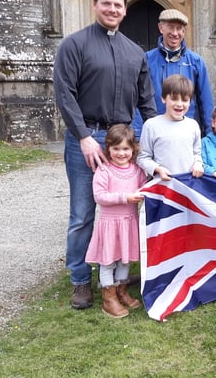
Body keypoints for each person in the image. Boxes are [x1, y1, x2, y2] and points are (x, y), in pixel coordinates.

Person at [53, 0, 157, 310]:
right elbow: (64, 93)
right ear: (95, 5)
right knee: (84, 213)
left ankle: (118, 277)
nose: (113, 9)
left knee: (124, 212)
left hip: (123, 142)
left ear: (125, 10)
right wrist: (83, 136)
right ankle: (81, 280)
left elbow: (147, 101)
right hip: (86, 137)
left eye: (118, 5)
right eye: (107, 4)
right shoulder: (74, 45)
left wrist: (156, 139)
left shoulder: (134, 52)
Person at [85, 124, 147, 318]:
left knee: (124, 260)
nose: (121, 153)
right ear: (108, 148)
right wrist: (125, 197)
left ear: (133, 149)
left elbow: (144, 188)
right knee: (108, 261)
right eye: (116, 149)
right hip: (110, 225)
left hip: (129, 224)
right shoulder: (104, 170)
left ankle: (122, 290)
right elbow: (100, 196)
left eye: (126, 149)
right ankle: (108, 297)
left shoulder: (137, 170)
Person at [131, 8, 214, 138]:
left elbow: (206, 101)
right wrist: (136, 133)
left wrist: (210, 135)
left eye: (179, 28)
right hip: (155, 132)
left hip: (187, 133)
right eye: (170, 27)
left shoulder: (196, 62)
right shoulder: (146, 60)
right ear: (161, 28)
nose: (175, 33)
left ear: (184, 31)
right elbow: (137, 98)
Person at [137, 74, 205, 180]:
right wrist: (157, 169)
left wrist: (198, 163)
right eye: (174, 99)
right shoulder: (151, 125)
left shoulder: (193, 125)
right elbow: (142, 157)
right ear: (164, 98)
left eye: (184, 100)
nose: (179, 104)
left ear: (190, 102)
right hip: (162, 186)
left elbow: (197, 153)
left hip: (187, 185)